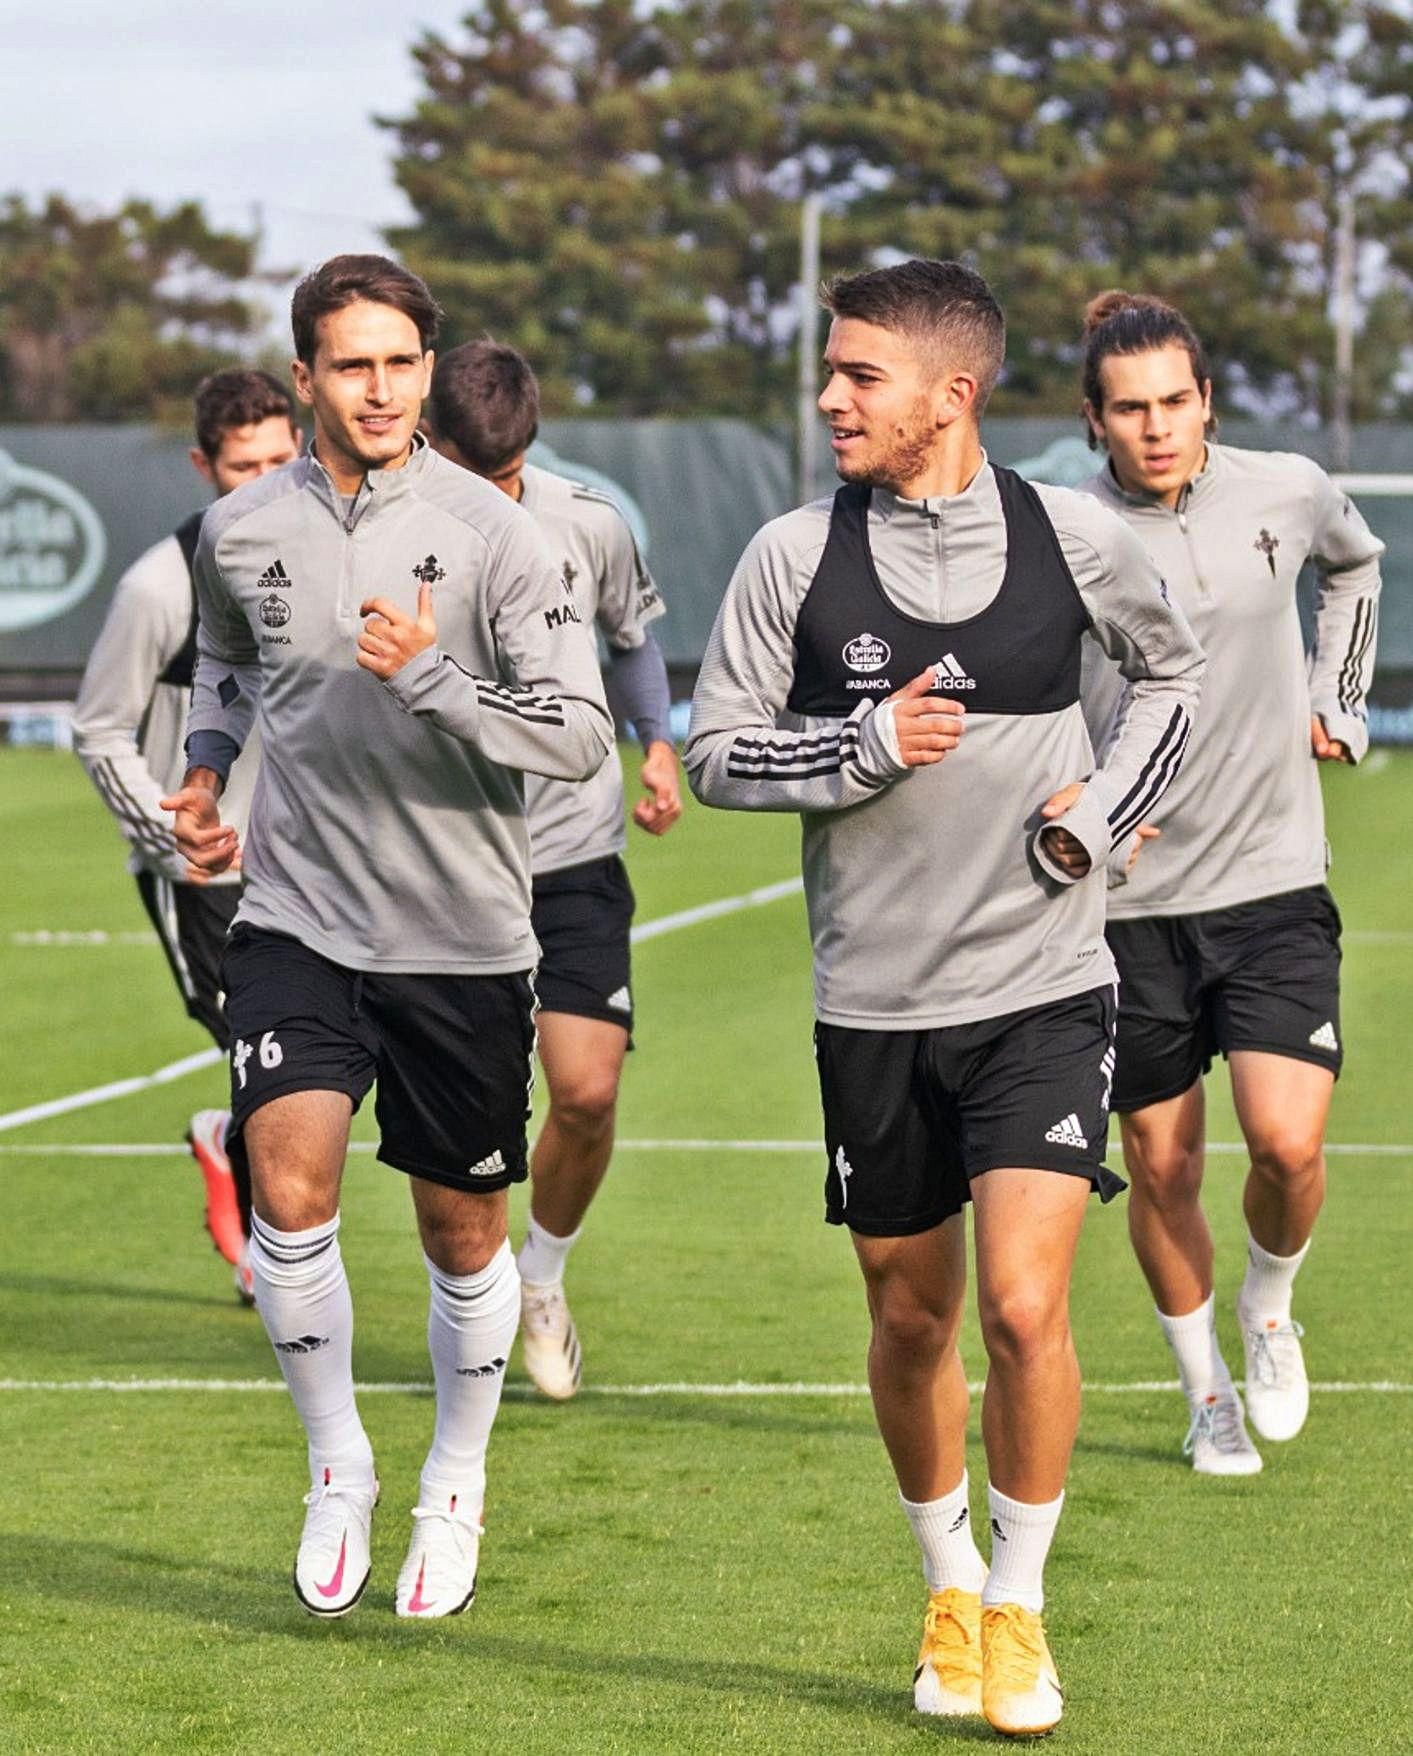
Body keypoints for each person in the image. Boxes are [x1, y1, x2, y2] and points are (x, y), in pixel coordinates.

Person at [686, 259, 1204, 1737]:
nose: (833, 397)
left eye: (860, 376)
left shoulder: (1073, 538)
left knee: (1028, 1307)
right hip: (871, 1002)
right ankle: (945, 1580)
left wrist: (1094, 821)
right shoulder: (792, 555)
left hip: (1043, 985)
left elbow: (1177, 685)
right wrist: (860, 745)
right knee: (911, 1318)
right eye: (831, 373)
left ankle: (1022, 1613)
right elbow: (718, 748)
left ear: (949, 395)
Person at [161, 255, 612, 1620]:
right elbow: (230, 664)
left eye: (399, 362)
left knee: (462, 1235)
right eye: (349, 364)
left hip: (462, 937)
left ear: (426, 371)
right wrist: (206, 767)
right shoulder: (240, 530)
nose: (377, 387)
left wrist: (431, 676)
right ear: (304, 377)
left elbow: (578, 733)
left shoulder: (502, 537)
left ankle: (456, 1480)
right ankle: (338, 1463)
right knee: (288, 1186)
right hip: (298, 916)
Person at [1077, 291, 1384, 1475]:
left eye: (1174, 402)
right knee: (1161, 1166)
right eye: (1129, 409)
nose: (1156, 428)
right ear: (1096, 419)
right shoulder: (1058, 529)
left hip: (1271, 883)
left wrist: (1337, 696)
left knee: (1287, 1144)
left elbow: (1357, 567)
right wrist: (1092, 807)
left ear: (1206, 399)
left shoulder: (1289, 488)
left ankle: (1268, 1303)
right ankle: (1206, 1393)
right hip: (1125, 906)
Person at [424, 339, 682, 1400]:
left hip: (574, 851)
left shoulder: (588, 519)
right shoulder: (393, 535)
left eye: (510, 471)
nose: (497, 498)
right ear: (430, 441)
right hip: (443, 861)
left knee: (583, 1087)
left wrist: (656, 740)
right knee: (467, 1119)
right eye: (475, 473)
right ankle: (471, 1293)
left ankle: (542, 1278)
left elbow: (631, 638)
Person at [72, 369, 301, 1303]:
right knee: (267, 1058)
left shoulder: (325, 552)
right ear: (204, 466)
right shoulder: (159, 587)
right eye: (242, 466)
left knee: (323, 1058)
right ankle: (270, 1261)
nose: (264, 481)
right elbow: (97, 730)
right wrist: (174, 840)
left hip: (308, 858)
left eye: (282, 459)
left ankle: (228, 1148)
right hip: (202, 873)